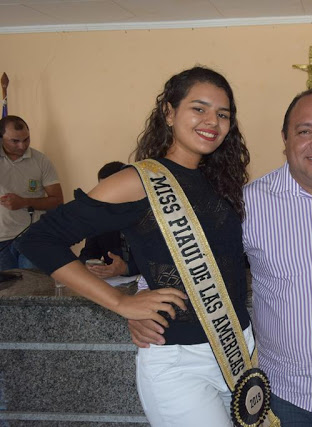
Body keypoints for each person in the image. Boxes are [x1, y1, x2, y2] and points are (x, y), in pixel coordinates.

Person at [130, 88, 312, 426]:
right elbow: (188, 259)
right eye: (304, 131)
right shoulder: (246, 204)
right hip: (287, 394)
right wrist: (143, 300)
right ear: (285, 139)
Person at [16, 66, 255, 427]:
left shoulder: (219, 181)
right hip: (180, 362)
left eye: (223, 114)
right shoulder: (138, 181)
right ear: (169, 112)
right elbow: (40, 239)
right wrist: (121, 303)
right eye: (199, 108)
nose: (213, 121)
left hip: (238, 349)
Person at [0, 115, 63, 271]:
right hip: (2, 240)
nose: (22, 146)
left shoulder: (40, 160)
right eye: (15, 141)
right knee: (6, 286)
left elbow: (57, 201)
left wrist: (24, 202)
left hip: (32, 237)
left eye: (26, 139)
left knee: (32, 284)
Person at [78, 161, 139, 279]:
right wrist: (89, 265)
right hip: (116, 283)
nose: (106, 195)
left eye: (111, 189)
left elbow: (161, 259)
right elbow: (89, 253)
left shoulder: (148, 215)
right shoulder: (99, 218)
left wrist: (127, 268)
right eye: (102, 189)